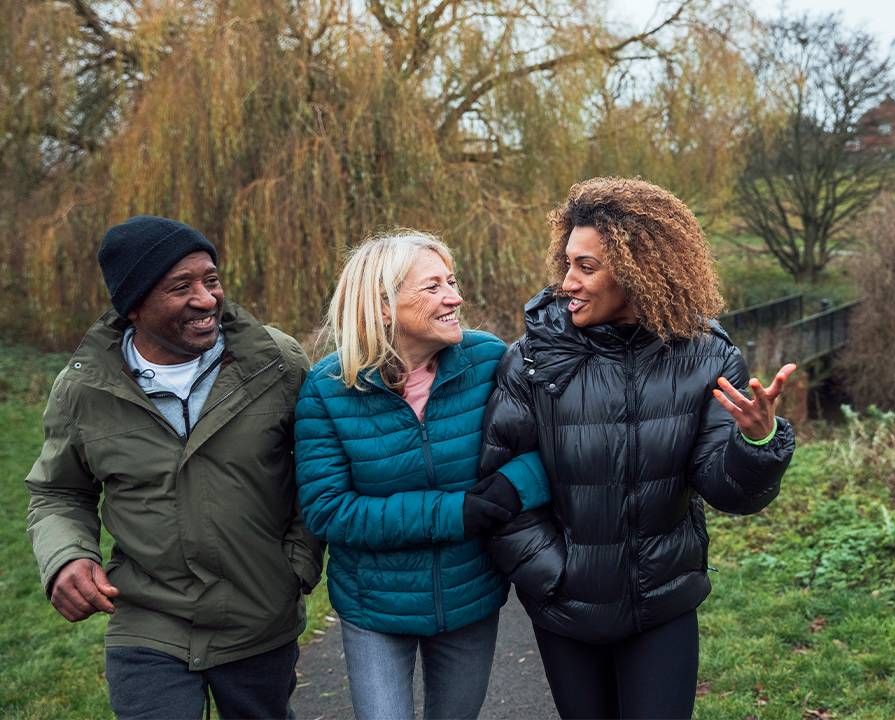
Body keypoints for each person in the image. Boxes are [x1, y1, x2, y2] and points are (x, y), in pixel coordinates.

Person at [480, 177, 798, 719]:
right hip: (566, 609)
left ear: (639, 269)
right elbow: (500, 490)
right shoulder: (533, 359)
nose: (567, 283)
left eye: (587, 267)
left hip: (662, 606)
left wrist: (755, 440)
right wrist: (554, 574)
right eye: (568, 263)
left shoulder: (707, 357)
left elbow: (728, 491)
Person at [25, 215, 323, 720]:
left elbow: (317, 466)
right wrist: (67, 557)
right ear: (134, 305)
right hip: (147, 617)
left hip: (258, 615)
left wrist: (295, 566)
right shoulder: (85, 389)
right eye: (181, 287)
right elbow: (59, 492)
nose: (206, 299)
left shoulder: (275, 362)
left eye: (211, 280)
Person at [293, 230, 549, 720]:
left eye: (450, 281)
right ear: (383, 306)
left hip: (470, 594)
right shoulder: (327, 388)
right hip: (375, 608)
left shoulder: (489, 360)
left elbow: (547, 450)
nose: (455, 297)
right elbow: (329, 510)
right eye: (432, 287)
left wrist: (511, 490)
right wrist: (456, 512)